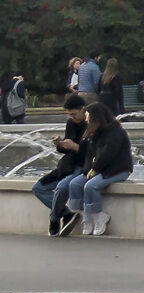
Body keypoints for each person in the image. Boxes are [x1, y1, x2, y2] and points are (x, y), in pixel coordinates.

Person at [57, 100, 133, 236]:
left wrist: (95, 169)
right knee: (74, 184)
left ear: (96, 117)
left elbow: (108, 153)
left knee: (90, 186)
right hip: (99, 169)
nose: (86, 119)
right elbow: (89, 155)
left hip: (117, 169)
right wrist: (88, 169)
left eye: (88, 116)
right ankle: (85, 217)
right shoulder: (93, 132)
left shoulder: (115, 131)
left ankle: (99, 216)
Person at [34, 95, 89, 232]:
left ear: (83, 109)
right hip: (67, 165)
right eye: (69, 114)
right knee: (38, 188)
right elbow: (67, 148)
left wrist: (75, 146)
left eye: (74, 114)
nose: (72, 117)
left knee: (62, 187)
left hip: (82, 166)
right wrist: (60, 143)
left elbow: (94, 152)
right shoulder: (71, 123)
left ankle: (54, 219)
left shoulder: (92, 123)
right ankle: (65, 213)